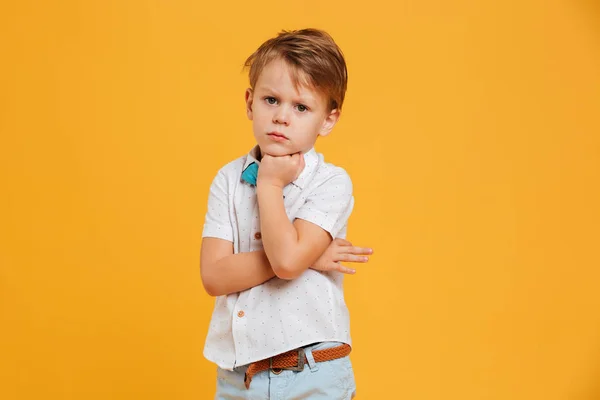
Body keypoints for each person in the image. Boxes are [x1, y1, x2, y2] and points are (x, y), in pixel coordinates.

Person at [200, 28, 373, 399]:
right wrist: (311, 257)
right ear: (250, 102)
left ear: (327, 119)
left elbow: (289, 263)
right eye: (271, 100)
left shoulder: (330, 182)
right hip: (238, 377)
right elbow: (214, 276)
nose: (282, 117)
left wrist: (270, 186)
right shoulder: (228, 180)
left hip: (312, 370)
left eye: (301, 107)